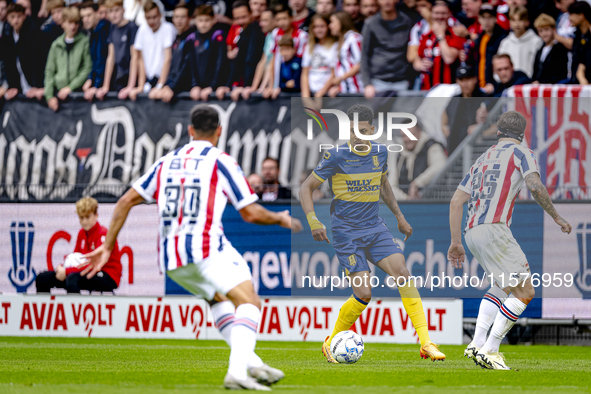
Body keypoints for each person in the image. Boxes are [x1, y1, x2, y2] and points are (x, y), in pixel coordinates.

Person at [83, 104, 302, 390]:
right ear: (219, 132)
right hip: (205, 248)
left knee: (218, 300)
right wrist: (281, 218)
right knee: (249, 302)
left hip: (172, 258)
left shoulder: (167, 161)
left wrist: (107, 246)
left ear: (189, 131)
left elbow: (125, 201)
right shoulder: (220, 161)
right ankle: (237, 371)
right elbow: (250, 212)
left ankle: (251, 362)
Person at [299, 104, 446, 364]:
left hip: (374, 227)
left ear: (373, 130)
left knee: (403, 273)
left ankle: (426, 342)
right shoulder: (336, 155)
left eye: (362, 130)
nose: (357, 135)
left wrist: (400, 218)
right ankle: (332, 340)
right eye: (353, 130)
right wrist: (313, 221)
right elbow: (305, 188)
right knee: (364, 294)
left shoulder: (380, 153)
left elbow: (384, 185)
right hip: (346, 232)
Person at [448, 110, 572, 370]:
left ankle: (476, 342)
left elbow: (456, 200)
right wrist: (556, 216)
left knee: (502, 286)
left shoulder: (481, 158)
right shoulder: (522, 153)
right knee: (526, 292)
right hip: (495, 228)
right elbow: (534, 185)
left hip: (472, 231)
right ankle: (491, 350)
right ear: (522, 134)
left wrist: (455, 241)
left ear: (498, 133)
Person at [35, 197, 122, 294]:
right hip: (86, 271)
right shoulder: (82, 233)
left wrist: (66, 271)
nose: (84, 222)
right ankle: (46, 309)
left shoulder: (103, 234)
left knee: (72, 279)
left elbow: (93, 264)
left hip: (107, 274)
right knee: (42, 278)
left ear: (96, 215)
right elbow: (75, 258)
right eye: (81, 218)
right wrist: (61, 268)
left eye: (87, 217)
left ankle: (74, 309)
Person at [361, 0, 413, 97]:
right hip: (378, 81)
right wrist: (367, 84)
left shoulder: (406, 21)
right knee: (379, 112)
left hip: (402, 80)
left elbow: (410, 50)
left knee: (402, 112)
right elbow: (364, 55)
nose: (386, 1)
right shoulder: (371, 23)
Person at [44, 7, 92, 112]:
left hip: (78, 96)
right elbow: (49, 71)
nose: (73, 26)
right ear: (63, 23)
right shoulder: (56, 45)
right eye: (70, 22)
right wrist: (49, 96)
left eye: (76, 22)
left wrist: (70, 88)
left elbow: (87, 67)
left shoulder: (85, 41)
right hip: (59, 95)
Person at [415, 1, 465, 90]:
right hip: (428, 89)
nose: (440, 16)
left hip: (448, 89)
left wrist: (440, 36)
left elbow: (449, 59)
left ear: (449, 14)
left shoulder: (455, 35)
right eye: (437, 13)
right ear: (431, 14)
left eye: (443, 13)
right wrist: (420, 64)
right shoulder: (426, 36)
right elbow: (416, 60)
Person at [132, 0, 176, 101]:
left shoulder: (168, 28)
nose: (152, 21)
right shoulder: (142, 30)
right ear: (144, 17)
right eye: (148, 18)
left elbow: (168, 58)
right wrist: (141, 86)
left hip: (165, 82)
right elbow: (140, 59)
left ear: (160, 15)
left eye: (154, 17)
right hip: (150, 81)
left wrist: (160, 85)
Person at [95, 0, 138, 100]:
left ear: (123, 10)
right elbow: (110, 57)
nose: (114, 14)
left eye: (116, 10)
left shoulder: (132, 27)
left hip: (130, 78)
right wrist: (106, 86)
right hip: (118, 78)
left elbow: (135, 57)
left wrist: (130, 86)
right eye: (110, 11)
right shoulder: (112, 27)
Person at [3, 3, 47, 101]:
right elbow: (8, 63)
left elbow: (37, 62)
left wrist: (37, 85)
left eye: (19, 16)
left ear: (24, 16)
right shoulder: (7, 34)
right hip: (19, 80)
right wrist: (12, 85)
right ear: (8, 18)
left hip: (33, 81)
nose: (16, 20)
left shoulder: (33, 33)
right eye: (12, 17)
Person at [442, 65, 489, 156]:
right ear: (457, 81)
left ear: (475, 79)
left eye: (468, 79)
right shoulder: (455, 100)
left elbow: (497, 125)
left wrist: (481, 131)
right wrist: (444, 128)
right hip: (455, 153)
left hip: (478, 154)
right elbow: (445, 114)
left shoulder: (485, 99)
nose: (464, 83)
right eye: (461, 79)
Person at [393, 122, 447, 200]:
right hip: (406, 208)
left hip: (433, 205)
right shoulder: (399, 154)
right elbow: (391, 185)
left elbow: (440, 165)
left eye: (410, 135)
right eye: (404, 135)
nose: (407, 139)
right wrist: (407, 199)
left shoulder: (431, 146)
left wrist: (417, 183)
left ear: (419, 132)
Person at [155, 4, 196, 102]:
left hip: (187, 92)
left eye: (182, 17)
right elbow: (173, 67)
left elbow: (186, 68)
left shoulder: (192, 38)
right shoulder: (176, 38)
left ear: (189, 19)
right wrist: (166, 85)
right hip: (173, 88)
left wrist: (172, 87)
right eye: (176, 17)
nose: (179, 20)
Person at [226, 0, 265, 101]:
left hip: (255, 88)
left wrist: (248, 86)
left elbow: (251, 60)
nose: (240, 21)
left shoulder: (256, 30)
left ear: (251, 13)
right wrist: (228, 85)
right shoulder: (243, 31)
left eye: (243, 17)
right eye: (237, 18)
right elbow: (238, 61)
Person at [265, 4, 308, 94]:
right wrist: (271, 86)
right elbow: (273, 61)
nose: (282, 22)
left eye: (284, 18)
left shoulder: (302, 36)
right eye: (278, 20)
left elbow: (302, 63)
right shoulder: (275, 33)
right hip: (279, 83)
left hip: (296, 84)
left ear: (292, 18)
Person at [190, 5, 229, 102]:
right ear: (195, 21)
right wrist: (195, 85)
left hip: (215, 89)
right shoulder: (192, 38)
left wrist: (212, 87)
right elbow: (192, 64)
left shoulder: (218, 36)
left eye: (207, 20)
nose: (203, 24)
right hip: (199, 90)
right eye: (200, 20)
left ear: (213, 20)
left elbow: (220, 63)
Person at [497, 6, 543, 79]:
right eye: (513, 20)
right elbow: (498, 64)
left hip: (529, 84)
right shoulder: (505, 43)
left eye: (520, 20)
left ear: (527, 22)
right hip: (509, 84)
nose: (517, 24)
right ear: (509, 22)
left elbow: (540, 67)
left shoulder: (536, 41)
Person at [470, 4, 508, 91]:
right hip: (480, 86)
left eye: (490, 17)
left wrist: (495, 85)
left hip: (495, 88)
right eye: (483, 17)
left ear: (495, 18)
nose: (486, 21)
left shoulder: (503, 38)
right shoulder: (479, 38)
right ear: (479, 19)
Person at [327, 11, 363, 96]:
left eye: (332, 22)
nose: (330, 26)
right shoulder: (340, 42)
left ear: (341, 23)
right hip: (345, 91)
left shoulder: (354, 38)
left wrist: (341, 78)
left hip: (357, 90)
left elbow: (360, 64)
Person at [80, 1, 111, 101]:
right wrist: (90, 79)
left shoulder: (103, 29)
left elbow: (102, 59)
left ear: (97, 14)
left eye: (88, 15)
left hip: (107, 87)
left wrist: (97, 86)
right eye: (83, 17)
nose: (85, 20)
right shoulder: (93, 31)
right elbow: (94, 60)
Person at [301, 14, 337, 97]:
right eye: (316, 27)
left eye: (322, 26)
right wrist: (306, 97)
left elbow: (334, 73)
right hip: (311, 92)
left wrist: (321, 92)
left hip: (327, 93)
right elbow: (305, 74)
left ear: (328, 26)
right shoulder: (309, 47)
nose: (319, 30)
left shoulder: (335, 46)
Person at [532, 14, 569, 84]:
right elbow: (536, 71)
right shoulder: (539, 50)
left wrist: (541, 82)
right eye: (541, 31)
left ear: (553, 29)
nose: (544, 34)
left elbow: (560, 72)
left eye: (546, 30)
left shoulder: (560, 48)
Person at [569, 1, 591, 84]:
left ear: (581, 16)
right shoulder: (577, 36)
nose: (569, 18)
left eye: (571, 14)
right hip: (577, 82)